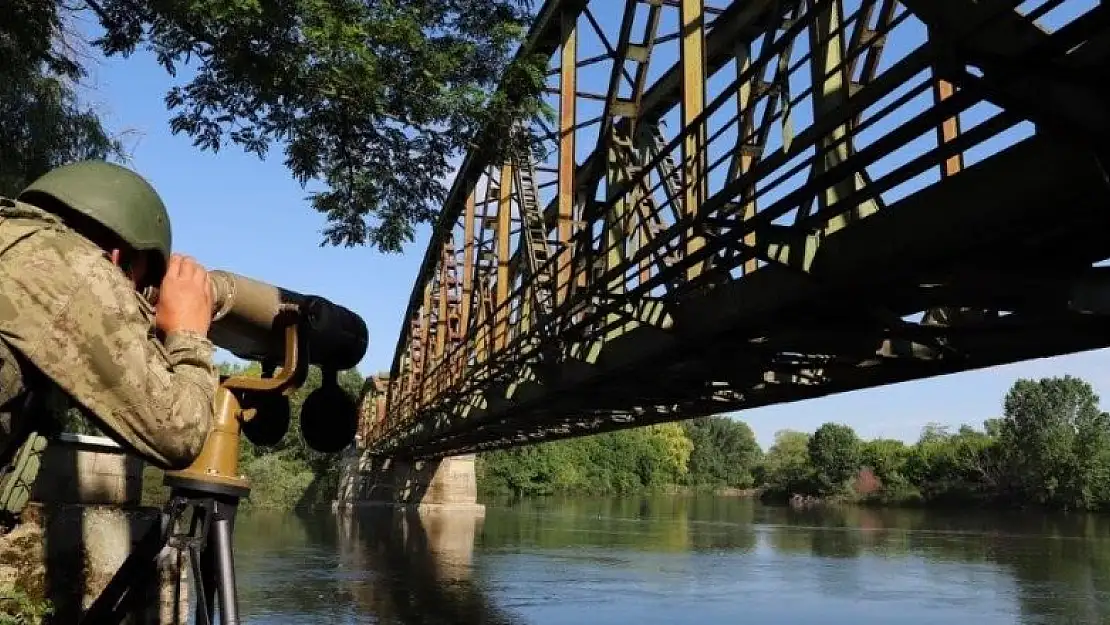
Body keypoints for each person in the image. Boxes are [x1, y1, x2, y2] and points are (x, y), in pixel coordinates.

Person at [0, 160, 219, 527]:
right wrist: (189, 333)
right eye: (138, 284)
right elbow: (178, 432)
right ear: (118, 259)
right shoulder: (73, 265)